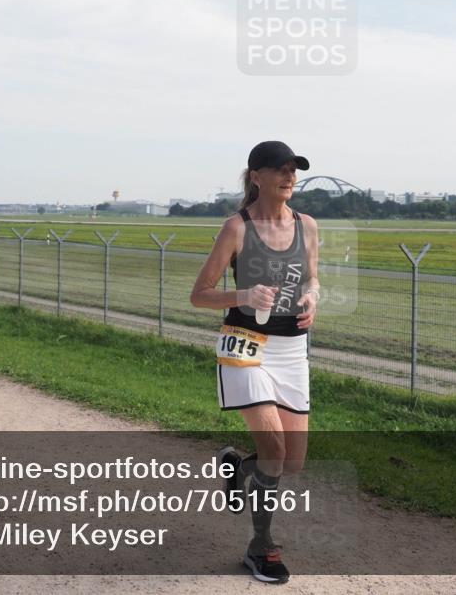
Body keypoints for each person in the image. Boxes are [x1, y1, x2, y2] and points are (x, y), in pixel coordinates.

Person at [190, 141, 320, 585]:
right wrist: (243, 295)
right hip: (245, 345)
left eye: (293, 170)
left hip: (290, 351)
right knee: (275, 450)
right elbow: (199, 294)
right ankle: (260, 548)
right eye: (279, 169)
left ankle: (237, 467)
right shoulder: (237, 228)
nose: (289, 177)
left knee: (292, 461)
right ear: (255, 177)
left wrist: (312, 297)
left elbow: (313, 277)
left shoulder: (308, 225)